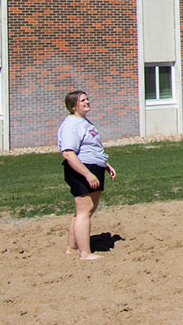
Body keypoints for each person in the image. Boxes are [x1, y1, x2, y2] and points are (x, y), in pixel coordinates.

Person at [57, 90, 116, 260]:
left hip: (92, 167)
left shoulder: (83, 122)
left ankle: (72, 248)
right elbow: (68, 153)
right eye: (83, 100)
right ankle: (85, 253)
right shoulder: (71, 124)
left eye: (87, 99)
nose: (87, 102)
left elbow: (91, 147)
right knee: (84, 211)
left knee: (84, 211)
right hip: (82, 170)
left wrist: (105, 164)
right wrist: (88, 174)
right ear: (73, 106)